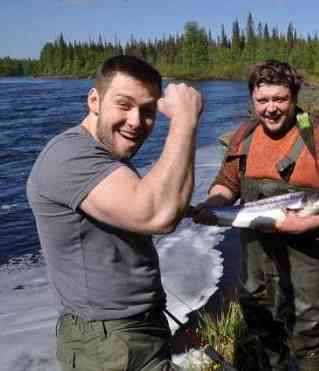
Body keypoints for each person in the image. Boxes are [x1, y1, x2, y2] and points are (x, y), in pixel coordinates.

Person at [26, 55, 202, 371]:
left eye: (147, 111)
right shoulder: (70, 156)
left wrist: (187, 209)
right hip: (108, 344)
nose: (136, 121)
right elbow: (156, 215)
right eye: (124, 104)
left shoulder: (103, 155)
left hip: (132, 332)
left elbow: (137, 207)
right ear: (94, 99)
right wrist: (185, 120)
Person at [193, 59, 319, 370]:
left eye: (279, 99)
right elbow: (227, 182)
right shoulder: (244, 135)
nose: (271, 108)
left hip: (307, 256)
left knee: (307, 334)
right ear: (252, 100)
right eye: (262, 100)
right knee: (261, 325)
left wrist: (307, 223)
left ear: (294, 97)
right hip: (254, 258)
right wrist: (212, 205)